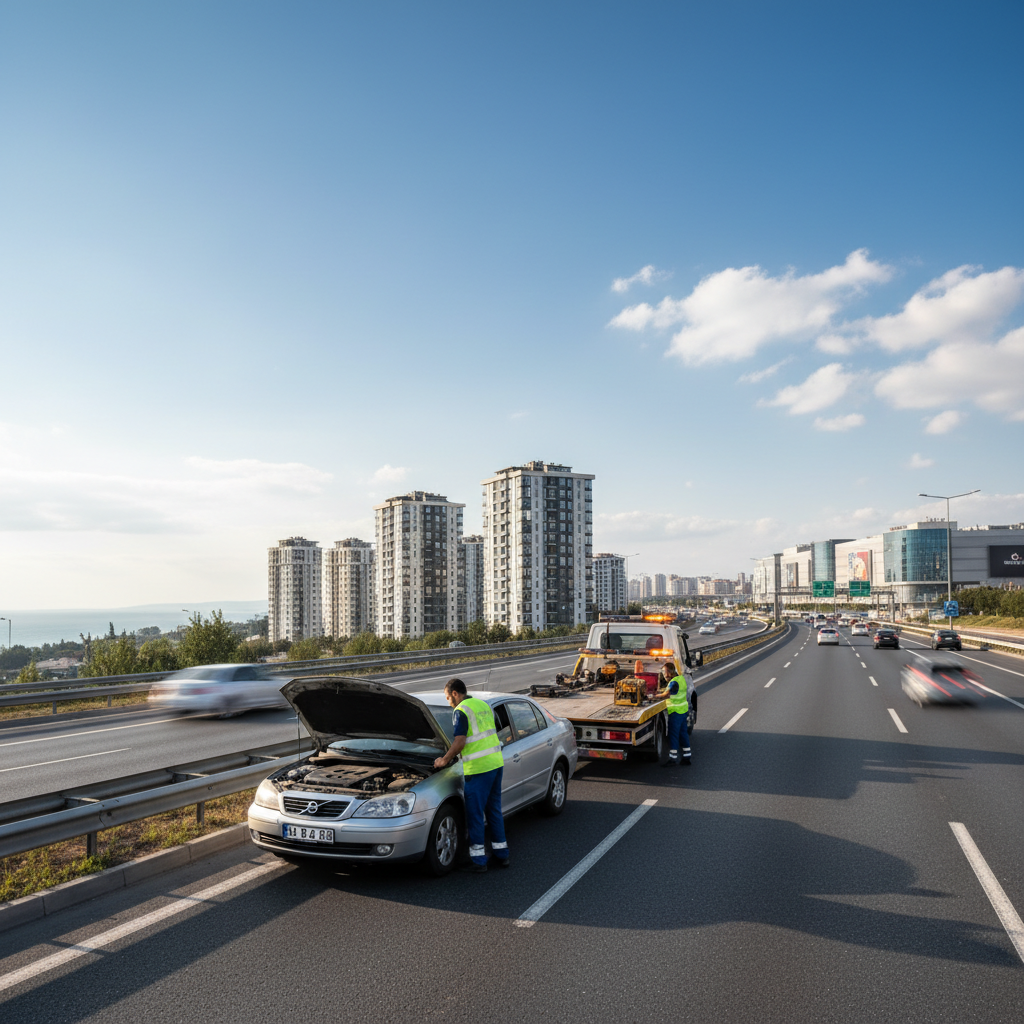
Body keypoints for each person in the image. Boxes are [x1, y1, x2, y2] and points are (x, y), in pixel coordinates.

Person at [433, 677, 509, 872]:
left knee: (475, 814)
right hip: (495, 763)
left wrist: (444, 760)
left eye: (448, 698)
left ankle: (479, 861)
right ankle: (502, 855)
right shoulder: (482, 705)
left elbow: (460, 741)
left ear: (456, 694)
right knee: (493, 810)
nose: (449, 702)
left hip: (479, 768)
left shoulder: (461, 711)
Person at [657, 663, 691, 767]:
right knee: (683, 734)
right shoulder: (681, 679)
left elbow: (666, 695)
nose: (664, 674)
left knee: (673, 735)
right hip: (683, 711)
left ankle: (673, 759)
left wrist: (652, 696)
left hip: (675, 712)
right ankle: (687, 757)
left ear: (670, 672)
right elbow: (674, 692)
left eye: (665, 672)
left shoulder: (673, 682)